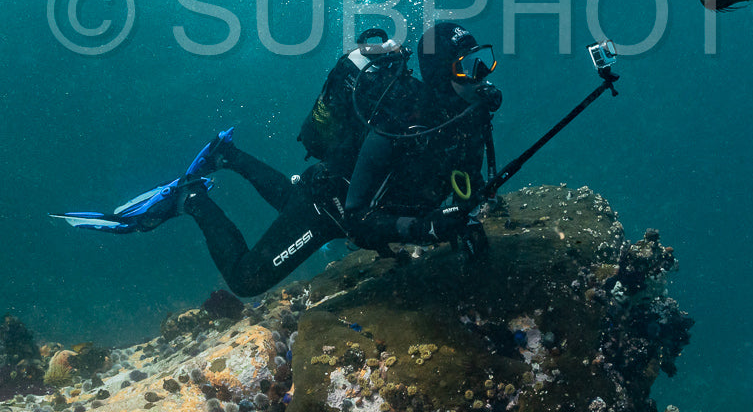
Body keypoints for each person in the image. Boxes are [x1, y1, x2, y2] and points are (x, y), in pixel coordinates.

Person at [142, 22, 499, 298]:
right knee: (247, 279)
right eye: (465, 66)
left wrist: (463, 219)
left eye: (482, 62)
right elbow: (357, 218)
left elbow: (465, 182)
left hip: (334, 186)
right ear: (440, 73)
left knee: (289, 200)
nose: (480, 74)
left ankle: (227, 154)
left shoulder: (468, 119)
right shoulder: (398, 123)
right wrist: (422, 229)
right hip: (330, 204)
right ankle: (191, 198)